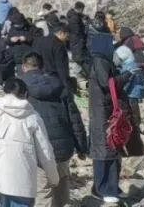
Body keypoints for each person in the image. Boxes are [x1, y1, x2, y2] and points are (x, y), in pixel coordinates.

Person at [0, 78, 60, 207]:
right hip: (22, 181)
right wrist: (53, 177)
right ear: (25, 94)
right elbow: (45, 151)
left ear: (5, 91)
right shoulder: (33, 116)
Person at [19, 53, 88, 207]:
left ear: (24, 67)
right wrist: (82, 147)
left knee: (43, 191)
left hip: (37, 149)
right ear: (42, 67)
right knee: (61, 184)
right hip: (63, 147)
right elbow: (75, 119)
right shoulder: (59, 85)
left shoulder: (20, 89)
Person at [88, 36, 143, 204]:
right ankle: (102, 189)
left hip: (107, 112)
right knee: (105, 151)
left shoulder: (104, 62)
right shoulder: (100, 62)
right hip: (103, 114)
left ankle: (111, 186)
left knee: (113, 149)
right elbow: (107, 84)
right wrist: (127, 74)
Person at [32, 24, 72, 95]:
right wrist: (66, 85)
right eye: (67, 36)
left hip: (37, 77)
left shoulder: (38, 41)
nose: (67, 39)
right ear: (61, 33)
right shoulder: (58, 45)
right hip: (53, 79)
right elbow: (61, 67)